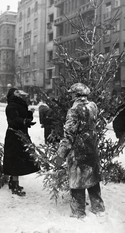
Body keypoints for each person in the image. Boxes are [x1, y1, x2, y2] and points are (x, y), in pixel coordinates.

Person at [55, 83, 105, 219]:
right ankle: (98, 207)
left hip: (78, 151)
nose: (70, 96)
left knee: (77, 181)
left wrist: (61, 154)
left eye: (72, 93)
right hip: (91, 148)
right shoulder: (93, 106)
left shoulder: (74, 110)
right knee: (93, 178)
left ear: (76, 95)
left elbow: (69, 135)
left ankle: (78, 212)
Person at [3, 88, 40, 196]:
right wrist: (24, 121)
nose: (19, 93)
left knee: (18, 159)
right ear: (11, 94)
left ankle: (13, 181)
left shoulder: (19, 104)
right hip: (14, 135)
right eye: (16, 92)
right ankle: (14, 185)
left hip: (21, 134)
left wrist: (29, 114)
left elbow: (22, 117)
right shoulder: (11, 106)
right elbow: (14, 120)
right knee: (15, 160)